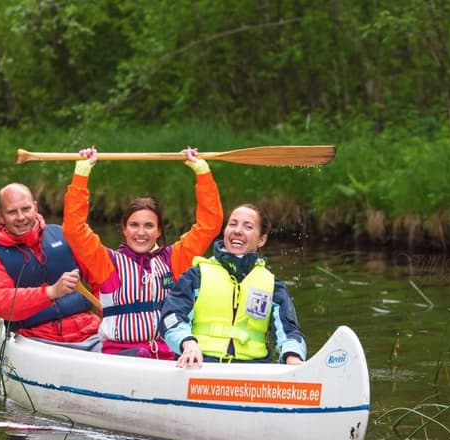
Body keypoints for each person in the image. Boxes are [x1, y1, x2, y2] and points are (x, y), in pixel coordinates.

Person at [62, 146, 223, 359]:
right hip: (122, 354)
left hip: (167, 352)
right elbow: (74, 229)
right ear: (124, 229)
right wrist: (81, 175)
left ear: (158, 231)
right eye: (134, 225)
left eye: (148, 226)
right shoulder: (107, 262)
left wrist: (201, 172)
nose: (141, 233)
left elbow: (209, 225)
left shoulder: (175, 259)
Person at [160, 203, 306, 367]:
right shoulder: (196, 276)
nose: (237, 230)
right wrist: (187, 343)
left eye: (248, 226)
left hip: (253, 370)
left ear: (261, 240)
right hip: (200, 365)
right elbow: (170, 318)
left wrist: (292, 356)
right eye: (233, 224)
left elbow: (290, 331)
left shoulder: (273, 286)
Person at [0, 182, 101, 349]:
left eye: (26, 209)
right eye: (12, 212)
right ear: (0, 216)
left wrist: (114, 319)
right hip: (36, 340)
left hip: (90, 332)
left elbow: (101, 280)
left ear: (35, 207)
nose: (21, 217)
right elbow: (1, 302)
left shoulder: (65, 235)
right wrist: (51, 292)